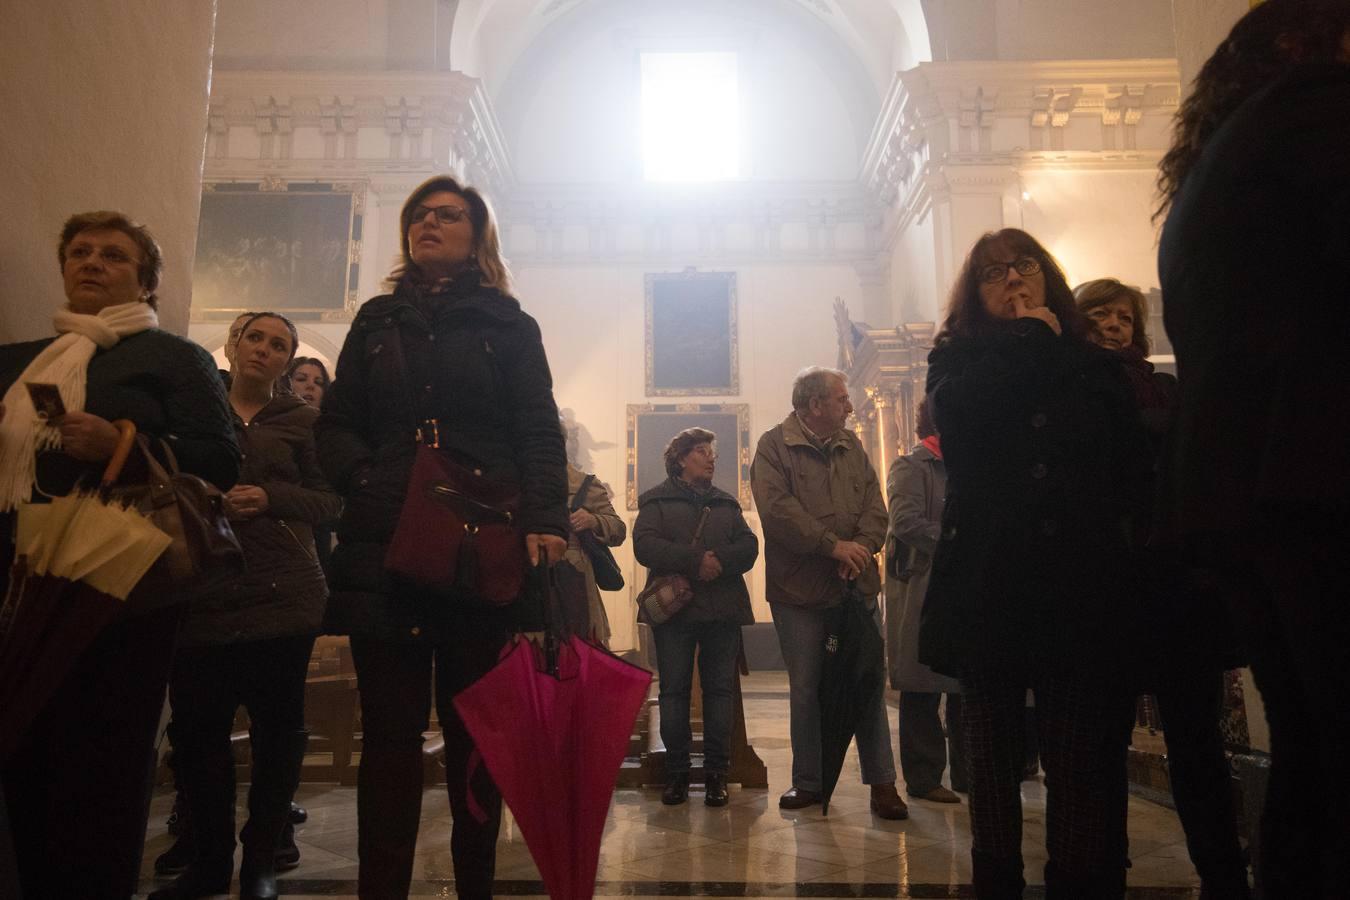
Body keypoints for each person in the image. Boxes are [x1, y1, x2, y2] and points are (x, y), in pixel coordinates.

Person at [315, 174, 568, 900]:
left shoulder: (508, 325)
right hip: (387, 545)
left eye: (448, 215)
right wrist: (367, 478)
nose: (430, 223)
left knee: (477, 742)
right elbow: (336, 423)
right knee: (389, 741)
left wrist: (547, 518)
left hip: (476, 542)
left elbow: (535, 429)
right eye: (420, 215)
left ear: (477, 235)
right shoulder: (375, 321)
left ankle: (476, 887)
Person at [1155, 3, 1350, 894]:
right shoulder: (1312, 116)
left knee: (1313, 752)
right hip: (1314, 480)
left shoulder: (1217, 166)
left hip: (1250, 495)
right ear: (1303, 46)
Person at [0, 211, 240, 900]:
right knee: (24, 744)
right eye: (79, 252)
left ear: (146, 281)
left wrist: (120, 445)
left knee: (102, 750)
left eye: (113, 255)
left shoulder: (172, 359)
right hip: (22, 572)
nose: (92, 262)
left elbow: (220, 459)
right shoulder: (19, 361)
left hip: (120, 581)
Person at [921, 229, 1149, 898]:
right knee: (990, 758)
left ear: (1047, 274)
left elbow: (1123, 469)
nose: (1011, 280)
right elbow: (958, 428)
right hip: (991, 580)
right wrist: (1029, 343)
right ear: (975, 294)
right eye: (993, 273)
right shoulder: (955, 362)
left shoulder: (1092, 364)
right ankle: (995, 880)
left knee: (1075, 756)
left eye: (1022, 266)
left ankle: (1075, 879)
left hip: (1078, 581)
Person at [149, 311, 339, 900]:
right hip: (201, 590)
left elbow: (333, 502)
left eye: (277, 344)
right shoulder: (195, 417)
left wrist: (272, 496)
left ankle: (261, 860)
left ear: (289, 361)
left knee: (278, 734)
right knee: (199, 736)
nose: (263, 350)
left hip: (282, 595)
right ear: (233, 345)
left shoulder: (305, 423)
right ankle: (209, 863)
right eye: (254, 338)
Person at [750, 367, 908, 821]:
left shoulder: (851, 445)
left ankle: (883, 783)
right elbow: (778, 510)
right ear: (815, 404)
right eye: (841, 398)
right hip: (798, 591)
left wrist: (859, 549)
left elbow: (876, 506)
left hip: (853, 586)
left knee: (867, 684)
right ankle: (809, 782)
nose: (850, 406)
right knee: (806, 689)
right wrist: (830, 545)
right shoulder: (773, 446)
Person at [633, 428, 758, 808]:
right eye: (702, 451)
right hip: (677, 614)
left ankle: (718, 774)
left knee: (720, 692)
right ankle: (677, 774)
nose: (710, 458)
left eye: (711, 451)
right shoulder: (656, 500)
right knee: (674, 693)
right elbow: (645, 545)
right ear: (682, 458)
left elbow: (749, 546)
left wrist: (716, 561)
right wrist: (693, 561)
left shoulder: (725, 502)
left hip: (721, 610)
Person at [884, 398, 966, 804]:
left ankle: (971, 774)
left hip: (964, 585)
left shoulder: (969, 462)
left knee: (965, 684)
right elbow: (906, 523)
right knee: (923, 687)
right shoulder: (912, 467)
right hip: (925, 586)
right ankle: (924, 777)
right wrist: (960, 541)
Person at [563, 443, 626, 646]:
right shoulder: (521, 483)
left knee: (582, 650)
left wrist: (594, 521)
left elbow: (618, 528)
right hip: (532, 577)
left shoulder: (584, 483)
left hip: (576, 577)